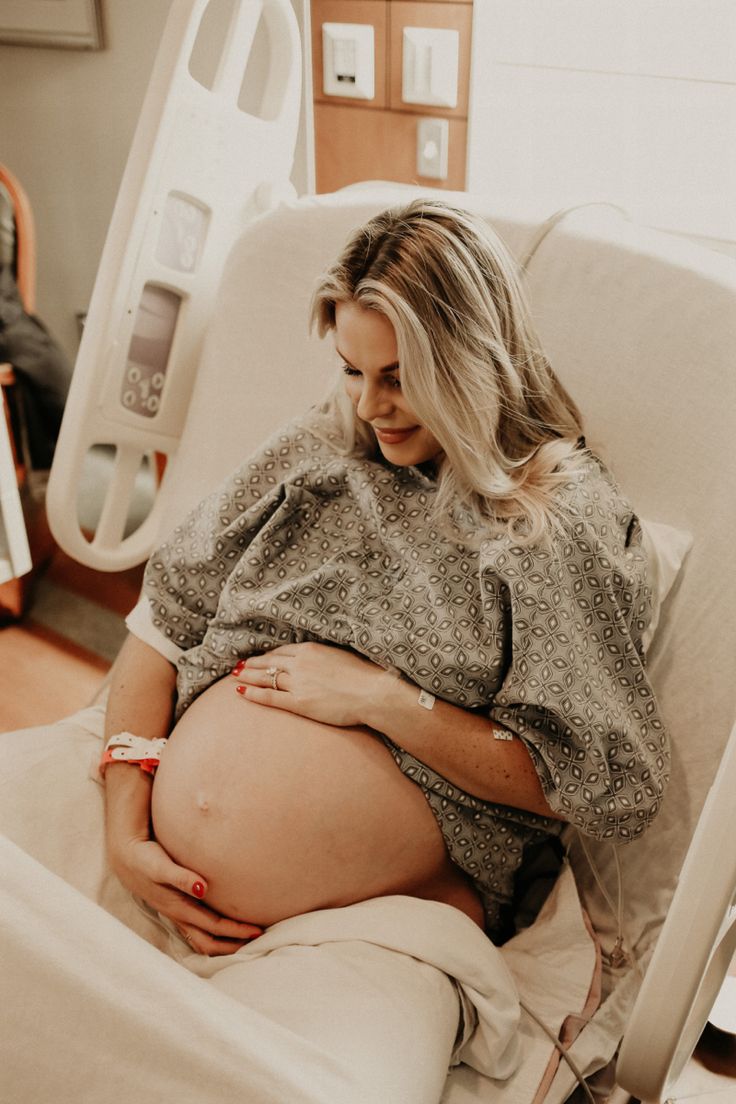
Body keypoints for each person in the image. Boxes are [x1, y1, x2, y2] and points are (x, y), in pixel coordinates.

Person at [1, 199, 669, 1102]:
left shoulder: (551, 523)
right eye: (351, 369)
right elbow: (163, 623)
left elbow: (601, 784)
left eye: (399, 378)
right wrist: (126, 819)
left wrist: (385, 702)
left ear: (476, 364)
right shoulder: (317, 451)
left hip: (378, 924)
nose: (368, 405)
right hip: (136, 818)